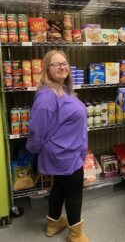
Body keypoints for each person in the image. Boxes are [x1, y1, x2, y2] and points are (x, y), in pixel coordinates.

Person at [26, 50, 88, 242]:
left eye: (65, 63)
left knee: (60, 188)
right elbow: (36, 129)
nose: (62, 67)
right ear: (47, 69)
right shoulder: (47, 96)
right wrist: (34, 152)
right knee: (74, 192)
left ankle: (53, 224)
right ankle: (76, 235)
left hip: (68, 152)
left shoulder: (62, 89)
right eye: (56, 64)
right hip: (63, 155)